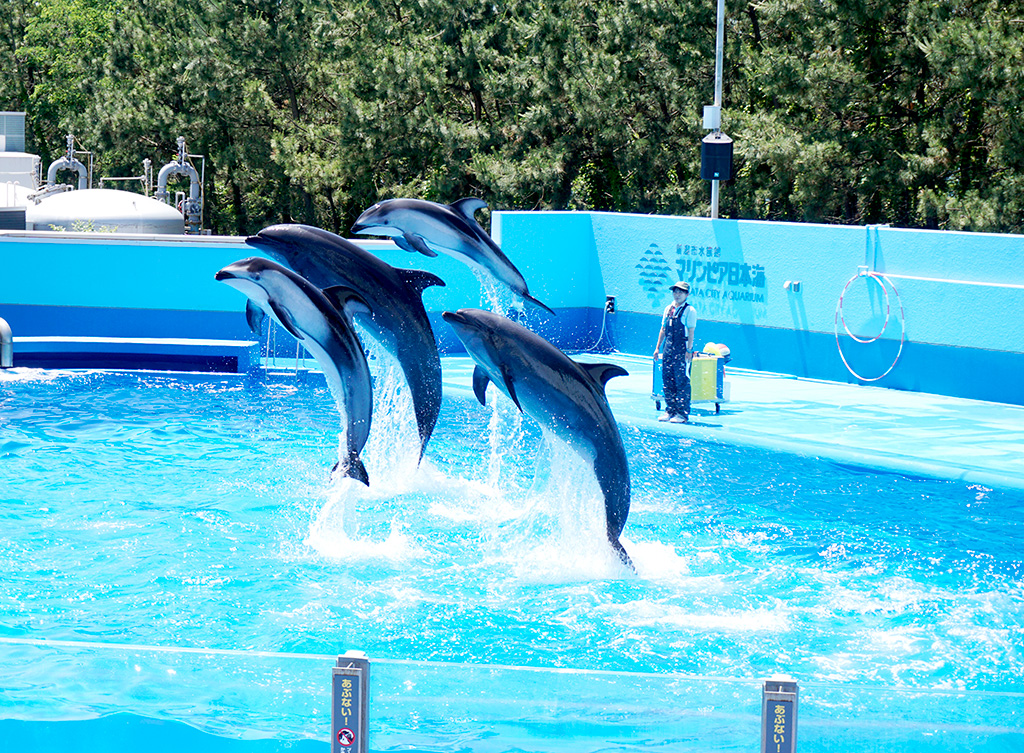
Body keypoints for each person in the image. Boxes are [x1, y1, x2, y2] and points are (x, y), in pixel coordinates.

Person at [653, 281, 697, 423]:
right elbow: (663, 329)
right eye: (675, 292)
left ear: (687, 294)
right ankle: (670, 410)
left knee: (681, 381)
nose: (677, 295)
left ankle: (682, 413)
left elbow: (691, 332)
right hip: (668, 348)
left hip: (682, 349)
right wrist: (657, 348)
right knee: (667, 380)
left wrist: (689, 350)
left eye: (681, 292)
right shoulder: (668, 309)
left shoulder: (690, 311)